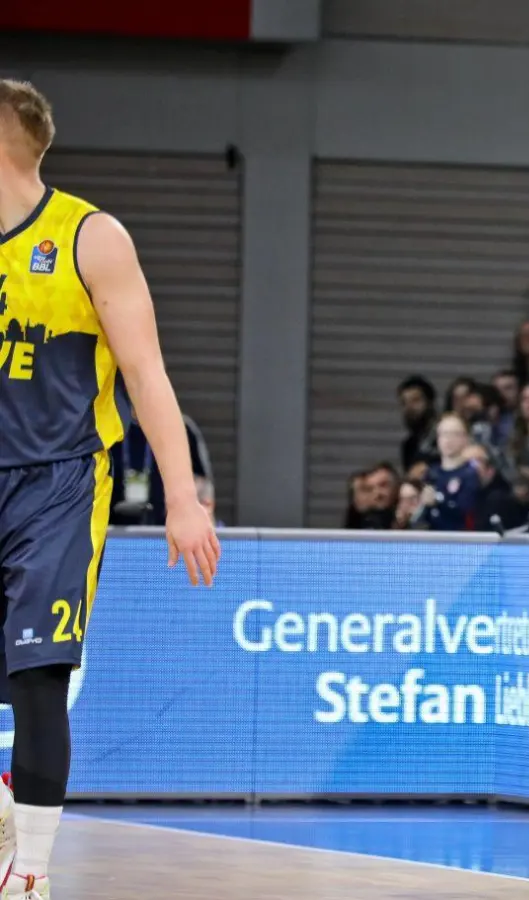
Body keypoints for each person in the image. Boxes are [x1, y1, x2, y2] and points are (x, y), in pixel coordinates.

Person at [0, 79, 220, 898]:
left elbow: (147, 375)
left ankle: (31, 874)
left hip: (57, 483)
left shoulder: (90, 237)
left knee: (37, 676)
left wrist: (182, 497)